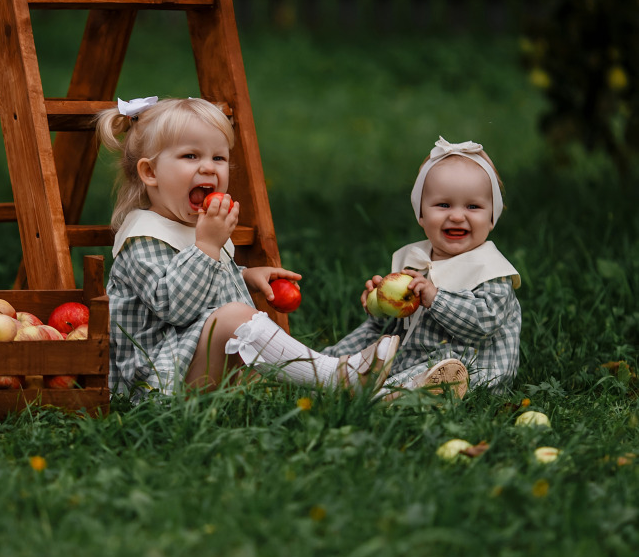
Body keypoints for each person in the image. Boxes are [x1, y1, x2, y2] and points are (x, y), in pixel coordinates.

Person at [96, 95, 399, 399]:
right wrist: (207, 246)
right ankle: (337, 378)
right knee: (233, 318)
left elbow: (203, 286)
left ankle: (388, 388)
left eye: (219, 157)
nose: (209, 168)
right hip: (155, 382)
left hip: (195, 365)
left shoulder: (200, 227)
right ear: (150, 173)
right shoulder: (143, 236)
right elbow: (174, 307)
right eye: (190, 156)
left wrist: (243, 276)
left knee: (241, 325)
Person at [228, 137, 521, 399]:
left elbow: (484, 323)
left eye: (473, 207)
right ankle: (319, 367)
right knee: (371, 337)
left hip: (470, 363)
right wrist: (380, 303)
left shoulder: (491, 269)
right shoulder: (416, 259)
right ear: (421, 213)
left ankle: (390, 395)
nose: (457, 216)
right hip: (413, 354)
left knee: (442, 370)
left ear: (492, 217)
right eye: (443, 205)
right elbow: (398, 321)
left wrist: (436, 297)